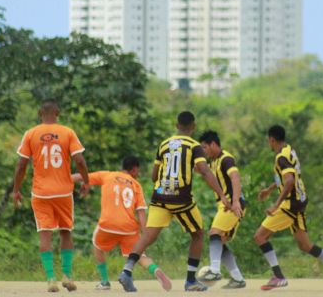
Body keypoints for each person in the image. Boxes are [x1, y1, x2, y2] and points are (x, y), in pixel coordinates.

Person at [118, 111, 235, 292]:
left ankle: (127, 270)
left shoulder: (164, 144)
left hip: (160, 197)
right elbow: (204, 171)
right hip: (181, 199)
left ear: (176, 125)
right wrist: (223, 196)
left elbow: (154, 175)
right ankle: (190, 281)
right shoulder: (194, 146)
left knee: (148, 235)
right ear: (193, 127)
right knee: (197, 234)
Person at [254, 125, 323, 291]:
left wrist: (276, 204)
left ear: (272, 140)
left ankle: (278, 276)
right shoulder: (289, 150)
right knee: (305, 245)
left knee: (260, 236)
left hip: (290, 204)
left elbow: (289, 181)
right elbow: (289, 177)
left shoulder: (280, 158)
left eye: (268, 141)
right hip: (300, 201)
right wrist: (269, 190)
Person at [13, 99, 90, 293]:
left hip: (40, 193)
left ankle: (50, 279)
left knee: (45, 234)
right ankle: (67, 276)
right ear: (57, 113)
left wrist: (16, 190)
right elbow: (79, 160)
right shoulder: (67, 132)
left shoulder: (30, 134)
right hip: (63, 192)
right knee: (66, 232)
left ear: (40, 113)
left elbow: (21, 165)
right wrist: (86, 181)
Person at [71, 156, 172, 291]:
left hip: (108, 224)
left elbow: (81, 176)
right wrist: (146, 236)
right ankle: (156, 270)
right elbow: (141, 213)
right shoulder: (136, 185)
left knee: (97, 246)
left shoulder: (107, 175)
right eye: (138, 171)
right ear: (134, 169)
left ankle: (105, 281)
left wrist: (61, 179)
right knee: (140, 255)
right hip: (129, 228)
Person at [196, 130, 246, 289]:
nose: (203, 151)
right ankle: (237, 278)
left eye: (204, 147)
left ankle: (215, 270)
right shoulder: (212, 161)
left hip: (232, 206)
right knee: (221, 242)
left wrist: (236, 201)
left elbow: (235, 177)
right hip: (225, 206)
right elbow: (200, 170)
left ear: (213, 144)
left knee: (214, 233)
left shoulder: (226, 159)